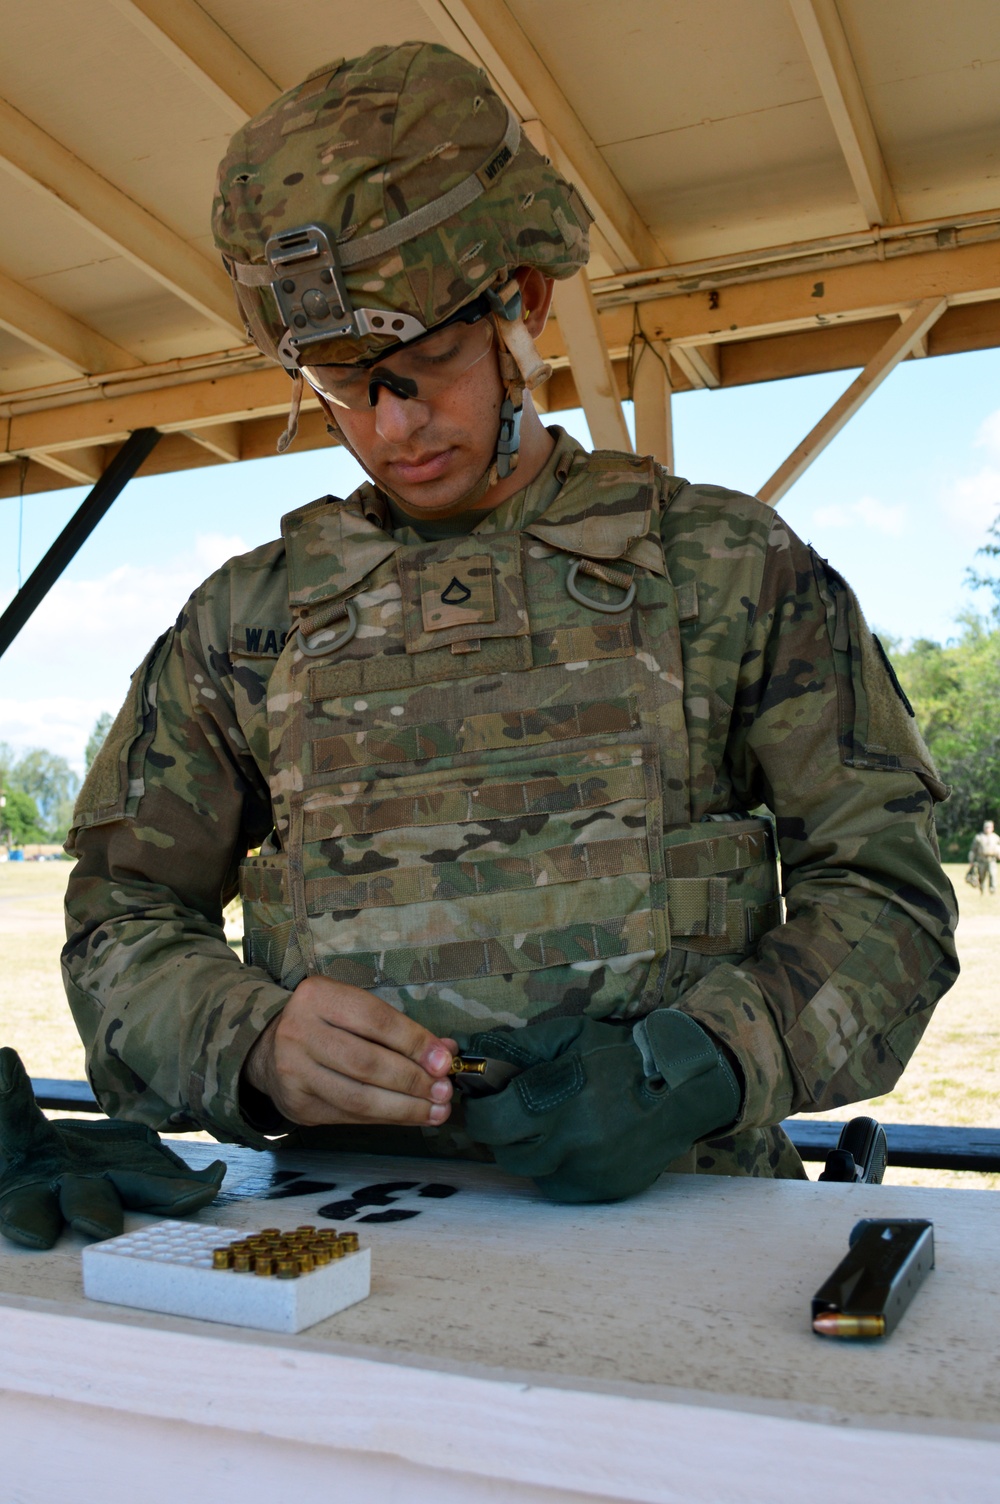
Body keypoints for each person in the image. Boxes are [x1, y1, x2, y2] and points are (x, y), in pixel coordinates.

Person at [62, 42, 958, 1203]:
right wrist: (248, 1039)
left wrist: (705, 1059)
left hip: (686, 1224)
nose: (392, 425)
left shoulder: (724, 571)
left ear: (522, 303)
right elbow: (117, 915)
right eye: (340, 383)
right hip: (351, 1242)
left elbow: (889, 893)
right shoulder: (246, 623)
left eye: (428, 361)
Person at [967, 819, 1000, 894]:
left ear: (992, 828)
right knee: (982, 876)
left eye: (989, 827)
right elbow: (973, 850)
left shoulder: (996, 838)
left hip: (992, 860)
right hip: (981, 860)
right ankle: (982, 888)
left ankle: (992, 890)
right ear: (983, 828)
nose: (987, 829)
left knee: (993, 874)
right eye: (986, 827)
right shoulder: (979, 837)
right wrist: (971, 860)